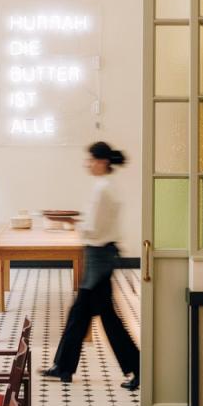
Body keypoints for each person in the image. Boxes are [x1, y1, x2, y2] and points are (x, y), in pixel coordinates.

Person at [42, 141, 141, 390]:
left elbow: (93, 229)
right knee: (84, 314)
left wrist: (72, 222)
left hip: (98, 256)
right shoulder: (108, 187)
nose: (87, 164)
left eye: (91, 159)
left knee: (101, 317)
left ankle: (138, 368)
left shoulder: (103, 190)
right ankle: (63, 367)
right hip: (102, 256)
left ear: (102, 162)